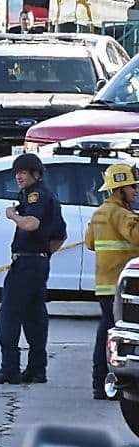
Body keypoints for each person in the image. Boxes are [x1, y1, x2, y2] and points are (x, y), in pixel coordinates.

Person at [0, 153, 67, 384]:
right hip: (38, 262)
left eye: (23, 172)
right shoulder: (47, 195)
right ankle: (36, 369)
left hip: (27, 262)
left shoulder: (36, 195)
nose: (19, 176)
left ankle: (10, 369)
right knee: (34, 316)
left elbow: (32, 224)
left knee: (9, 315)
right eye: (17, 172)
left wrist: (13, 216)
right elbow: (61, 234)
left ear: (36, 174)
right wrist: (45, 254)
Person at [84, 164, 139, 400]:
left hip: (103, 287)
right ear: (119, 189)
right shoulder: (122, 215)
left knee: (104, 334)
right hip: (120, 288)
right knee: (116, 339)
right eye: (132, 186)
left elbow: (89, 243)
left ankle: (100, 384)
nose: (135, 191)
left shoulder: (99, 213)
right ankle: (110, 386)